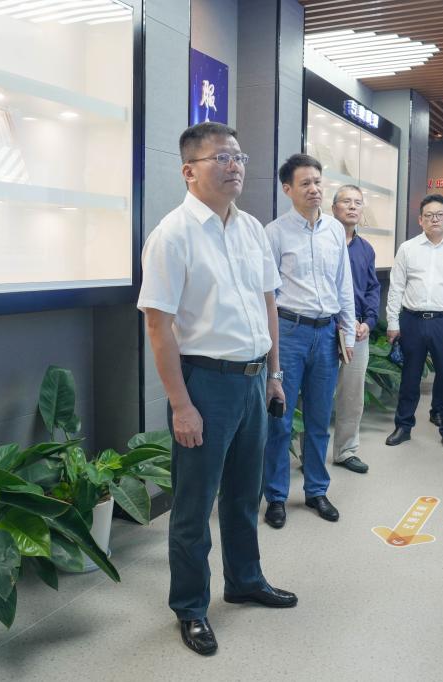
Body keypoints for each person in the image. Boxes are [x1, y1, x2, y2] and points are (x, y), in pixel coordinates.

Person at [138, 122, 297, 657]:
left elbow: (268, 302)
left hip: (253, 381)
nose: (235, 166)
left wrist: (273, 374)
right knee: (194, 505)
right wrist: (181, 404)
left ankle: (245, 580)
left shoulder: (250, 228)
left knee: (244, 494)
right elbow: (158, 326)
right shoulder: (172, 235)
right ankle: (190, 606)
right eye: (222, 158)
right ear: (189, 171)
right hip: (205, 383)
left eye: (239, 156)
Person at [262, 154, 356, 527]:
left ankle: (316, 490)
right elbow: (267, 295)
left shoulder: (334, 230)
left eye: (318, 181)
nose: (314, 189)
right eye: (305, 183)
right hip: (289, 333)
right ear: (288, 189)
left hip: (327, 333)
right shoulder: (274, 233)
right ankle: (276, 496)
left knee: (319, 418)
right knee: (281, 420)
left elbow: (343, 283)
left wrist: (347, 331)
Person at [385, 194, 443, 452]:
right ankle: (403, 426)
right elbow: (396, 288)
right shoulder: (407, 248)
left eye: (439, 214)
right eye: (429, 215)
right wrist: (392, 322)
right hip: (412, 321)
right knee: (409, 378)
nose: (434, 219)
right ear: (420, 220)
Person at [330, 184, 381, 474]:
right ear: (333, 208)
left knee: (351, 397)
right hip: (325, 330)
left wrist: (368, 322)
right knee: (316, 397)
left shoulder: (366, 249)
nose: (352, 207)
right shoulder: (323, 243)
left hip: (357, 333)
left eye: (358, 203)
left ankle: (345, 451)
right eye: (346, 201)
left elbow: (373, 289)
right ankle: (310, 456)